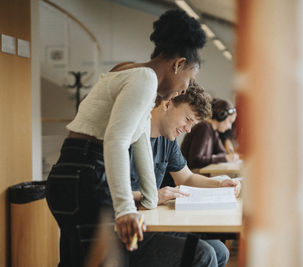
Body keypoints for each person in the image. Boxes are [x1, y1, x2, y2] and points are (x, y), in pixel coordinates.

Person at [45, 10, 206, 267]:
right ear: (178, 64)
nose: (185, 89)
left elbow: (139, 139)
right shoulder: (145, 79)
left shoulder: (130, 71)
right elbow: (116, 140)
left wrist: (150, 197)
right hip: (88, 172)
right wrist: (125, 210)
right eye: (189, 79)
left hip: (70, 171)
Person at [129, 84, 240, 267]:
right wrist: (151, 196)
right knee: (203, 255)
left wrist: (220, 184)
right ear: (168, 103)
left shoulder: (167, 139)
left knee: (220, 251)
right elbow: (108, 192)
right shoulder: (129, 136)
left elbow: (187, 178)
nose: (188, 129)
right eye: (187, 119)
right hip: (130, 232)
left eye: (192, 124)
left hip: (153, 226)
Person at [180, 98, 239, 170]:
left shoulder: (214, 132)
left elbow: (222, 153)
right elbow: (195, 160)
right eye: (230, 121)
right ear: (221, 116)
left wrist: (217, 158)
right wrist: (222, 158)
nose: (230, 127)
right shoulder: (204, 128)